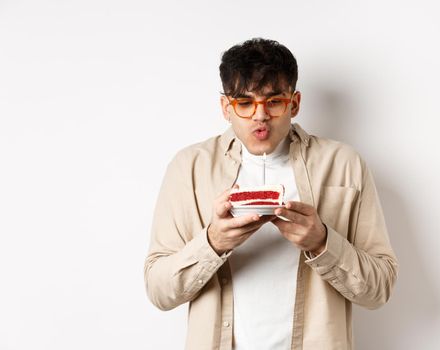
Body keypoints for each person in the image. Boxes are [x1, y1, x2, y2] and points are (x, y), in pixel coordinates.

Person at [144, 38, 398, 350]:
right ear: (227, 107)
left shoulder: (344, 164)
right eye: (245, 103)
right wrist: (214, 243)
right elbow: (159, 291)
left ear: (294, 103)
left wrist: (321, 242)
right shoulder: (189, 168)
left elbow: (380, 289)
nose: (260, 116)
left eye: (273, 102)